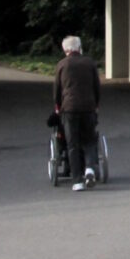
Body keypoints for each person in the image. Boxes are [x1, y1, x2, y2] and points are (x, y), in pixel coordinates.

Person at [52, 35, 101, 191]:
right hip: (88, 107)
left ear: (65, 50)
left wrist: (58, 107)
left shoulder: (61, 65)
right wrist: (96, 105)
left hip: (69, 109)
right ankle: (90, 169)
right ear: (79, 48)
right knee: (90, 141)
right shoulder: (90, 63)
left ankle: (77, 181)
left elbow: (57, 91)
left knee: (72, 144)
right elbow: (97, 87)